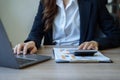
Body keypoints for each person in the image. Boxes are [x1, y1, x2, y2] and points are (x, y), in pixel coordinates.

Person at [14, 0, 120, 54]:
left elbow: (116, 35)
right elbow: (35, 34)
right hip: (52, 57)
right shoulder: (45, 1)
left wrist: (96, 43)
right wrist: (32, 42)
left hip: (82, 57)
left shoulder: (94, 2)